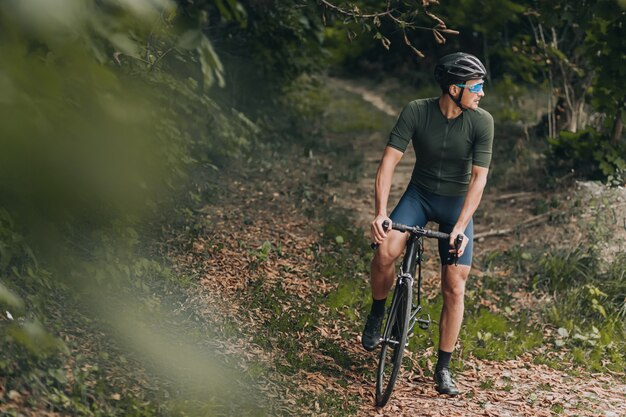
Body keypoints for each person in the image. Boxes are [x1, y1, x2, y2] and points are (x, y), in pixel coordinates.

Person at [361, 52, 494, 396]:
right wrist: (380, 212)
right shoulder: (416, 111)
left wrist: (462, 226)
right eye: (476, 86)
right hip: (419, 196)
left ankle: (444, 367)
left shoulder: (482, 122)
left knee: (454, 285)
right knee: (386, 251)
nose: (481, 92)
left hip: (456, 207)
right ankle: (378, 311)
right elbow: (389, 163)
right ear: (454, 88)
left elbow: (478, 180)